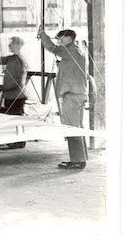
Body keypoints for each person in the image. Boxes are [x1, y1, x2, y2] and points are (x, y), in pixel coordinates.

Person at [40, 28, 89, 169]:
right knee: (77, 127)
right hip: (78, 94)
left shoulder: (70, 50)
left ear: (68, 38)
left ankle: (77, 161)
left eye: (60, 38)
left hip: (71, 95)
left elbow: (50, 47)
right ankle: (81, 158)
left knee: (71, 128)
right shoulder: (77, 51)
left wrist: (43, 34)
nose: (59, 41)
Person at [0, 36, 28, 116]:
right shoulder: (13, 58)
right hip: (13, 96)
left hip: (15, 97)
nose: (9, 46)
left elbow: (14, 83)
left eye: (11, 44)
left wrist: (0, 88)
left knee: (13, 119)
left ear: (17, 45)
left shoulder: (17, 61)